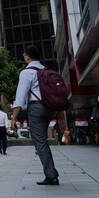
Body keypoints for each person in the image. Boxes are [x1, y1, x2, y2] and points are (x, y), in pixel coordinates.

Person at [12, 46, 59, 185]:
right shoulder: (47, 70)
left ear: (27, 57)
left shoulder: (26, 73)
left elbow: (20, 98)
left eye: (24, 55)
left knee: (40, 142)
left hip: (36, 108)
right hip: (50, 107)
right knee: (42, 140)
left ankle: (51, 174)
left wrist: (14, 117)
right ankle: (51, 171)